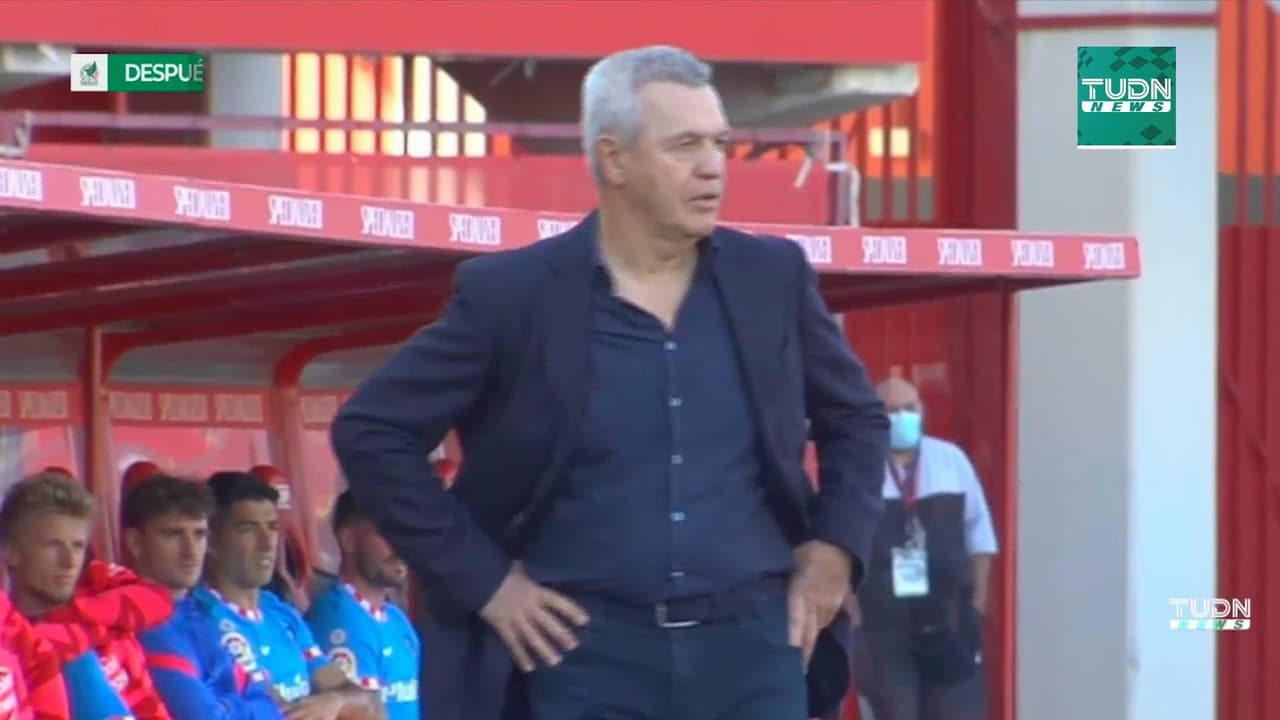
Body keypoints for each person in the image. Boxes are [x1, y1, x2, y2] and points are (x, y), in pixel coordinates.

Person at [331, 44, 888, 720]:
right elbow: (372, 431)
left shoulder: (771, 278)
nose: (713, 166)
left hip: (755, 649)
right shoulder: (513, 296)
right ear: (614, 159)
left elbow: (857, 419)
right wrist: (486, 581)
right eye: (684, 146)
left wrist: (835, 552)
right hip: (581, 659)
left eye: (719, 143)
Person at [851, 377, 998, 720]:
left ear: (922, 411)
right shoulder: (858, 468)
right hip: (883, 632)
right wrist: (854, 619)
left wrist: (976, 608)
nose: (900, 417)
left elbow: (980, 535)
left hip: (949, 624)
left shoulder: (951, 460)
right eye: (890, 410)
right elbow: (839, 544)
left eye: (908, 408)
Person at [193, 471, 383, 720]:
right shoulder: (201, 618)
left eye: (272, 528)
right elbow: (268, 709)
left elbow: (370, 702)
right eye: (248, 530)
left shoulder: (281, 614)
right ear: (211, 541)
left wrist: (334, 701)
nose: (267, 543)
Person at [0, 471, 172, 720]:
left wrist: (77, 617)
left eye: (78, 546)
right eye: (53, 546)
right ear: (10, 553)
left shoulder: (99, 597)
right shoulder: (18, 644)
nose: (69, 561)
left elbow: (158, 600)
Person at [123, 474, 285, 720]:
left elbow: (269, 701)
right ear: (135, 542)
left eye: (199, 534)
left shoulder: (194, 611)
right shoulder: (145, 622)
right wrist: (243, 707)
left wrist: (230, 707)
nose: (190, 551)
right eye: (173, 534)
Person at [305, 492, 420, 720]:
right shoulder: (342, 623)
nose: (401, 547)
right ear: (349, 540)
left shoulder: (395, 618)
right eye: (387, 534)